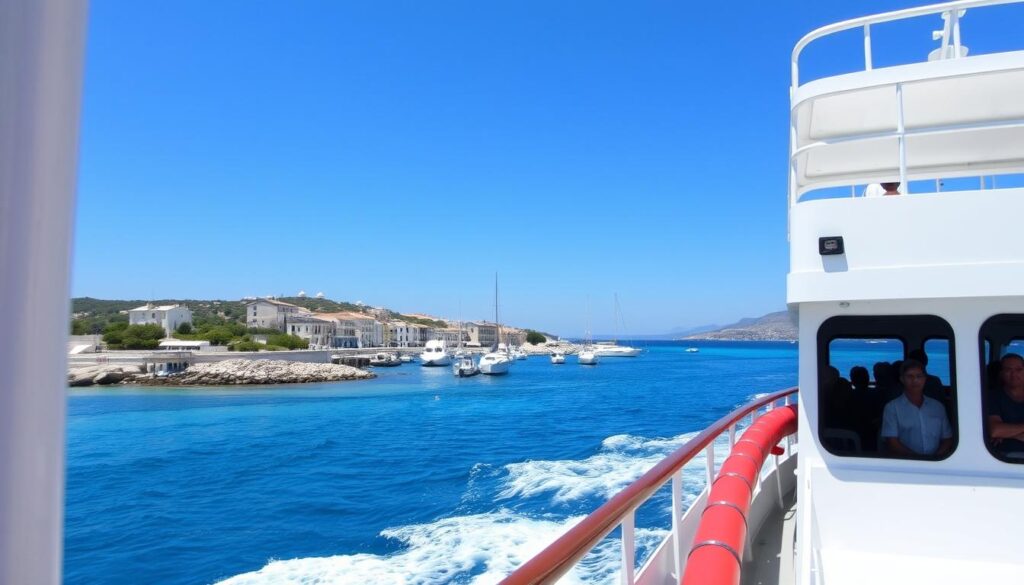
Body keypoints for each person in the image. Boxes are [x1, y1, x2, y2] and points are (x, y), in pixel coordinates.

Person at [881, 359, 953, 457]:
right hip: (906, 464)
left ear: (925, 379)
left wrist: (935, 459)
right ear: (902, 379)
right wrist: (918, 460)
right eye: (910, 376)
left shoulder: (938, 407)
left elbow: (947, 439)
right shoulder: (892, 408)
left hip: (936, 463)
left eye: (919, 376)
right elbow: (892, 442)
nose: (915, 380)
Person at [987, 353, 1024, 457]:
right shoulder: (992, 396)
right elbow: (995, 430)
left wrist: (1008, 434)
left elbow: (1000, 432)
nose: (1014, 374)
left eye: (1019, 369)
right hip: (1003, 457)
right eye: (1008, 370)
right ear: (1001, 373)